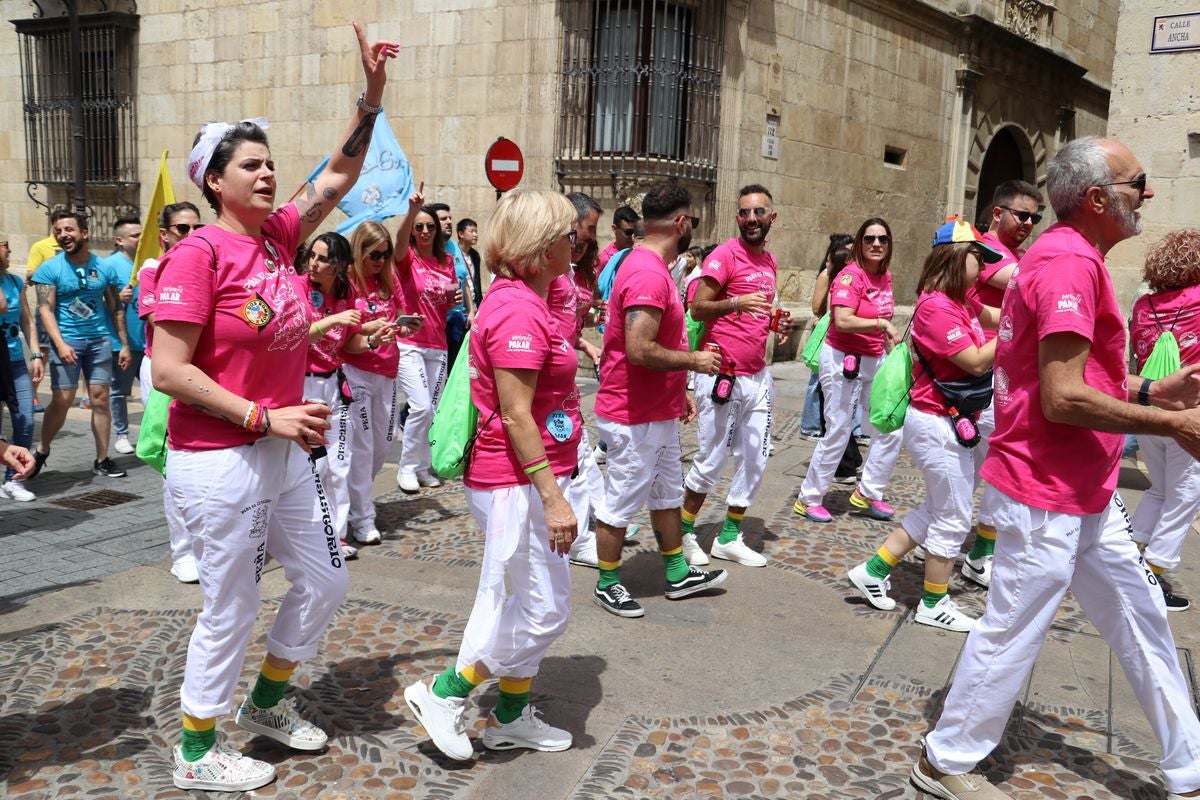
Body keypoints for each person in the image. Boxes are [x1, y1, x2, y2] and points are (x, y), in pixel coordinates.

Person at [913, 137, 1200, 800]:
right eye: (1139, 182)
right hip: (1046, 493)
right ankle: (944, 761)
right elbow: (1062, 397)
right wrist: (1172, 424)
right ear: (1099, 199)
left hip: (1084, 492)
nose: (1149, 193)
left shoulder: (1068, 258)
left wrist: (1153, 392)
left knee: (1142, 617)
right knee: (1012, 630)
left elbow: (1076, 375)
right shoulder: (1069, 263)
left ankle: (1189, 764)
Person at [150, 23, 398, 793]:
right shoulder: (198, 255)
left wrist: (372, 95)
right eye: (250, 166)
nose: (268, 176)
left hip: (284, 451)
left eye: (269, 165)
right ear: (213, 181)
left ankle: (264, 704)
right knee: (230, 606)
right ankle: (195, 751)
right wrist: (262, 417)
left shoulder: (277, 241)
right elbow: (167, 370)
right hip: (221, 458)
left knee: (326, 581)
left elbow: (335, 179)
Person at [404, 189, 580, 761]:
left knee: (522, 605)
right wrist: (553, 497)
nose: (574, 243)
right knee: (542, 609)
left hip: (527, 478)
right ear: (540, 243)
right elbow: (515, 413)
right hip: (516, 482)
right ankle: (446, 692)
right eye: (566, 234)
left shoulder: (532, 297)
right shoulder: (517, 310)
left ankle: (509, 715)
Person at [847, 219, 1002, 632]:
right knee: (953, 516)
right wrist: (1013, 333)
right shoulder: (936, 307)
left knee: (935, 509)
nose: (983, 267)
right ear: (955, 258)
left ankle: (873, 571)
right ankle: (934, 603)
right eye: (977, 258)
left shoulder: (964, 300)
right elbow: (974, 360)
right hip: (936, 424)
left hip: (948, 422)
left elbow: (1000, 315)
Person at [589, 181, 726, 619]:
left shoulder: (651, 266)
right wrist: (694, 362)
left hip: (656, 412)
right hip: (632, 415)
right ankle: (608, 582)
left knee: (666, 495)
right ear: (682, 223)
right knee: (620, 502)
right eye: (694, 222)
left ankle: (677, 572)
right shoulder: (648, 272)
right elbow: (638, 348)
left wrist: (679, 391)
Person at [680, 184, 791, 568]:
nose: (752, 219)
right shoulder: (725, 256)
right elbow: (697, 308)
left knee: (757, 459)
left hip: (757, 376)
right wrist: (735, 302)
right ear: (737, 217)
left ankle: (729, 536)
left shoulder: (770, 262)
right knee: (711, 460)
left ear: (771, 218)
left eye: (759, 212)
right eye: (744, 213)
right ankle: (683, 532)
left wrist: (777, 322)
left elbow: (761, 310)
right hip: (722, 373)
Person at [303, 231, 409, 561]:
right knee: (310, 466)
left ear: (339, 267)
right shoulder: (298, 288)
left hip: (336, 383)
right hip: (302, 385)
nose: (314, 264)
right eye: (312, 255)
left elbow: (348, 343)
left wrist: (377, 339)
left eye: (324, 259)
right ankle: (305, 533)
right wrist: (334, 318)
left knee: (340, 462)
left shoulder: (345, 292)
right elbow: (295, 333)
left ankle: (336, 534)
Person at [794, 218, 903, 523]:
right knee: (840, 428)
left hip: (875, 358)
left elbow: (883, 321)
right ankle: (809, 497)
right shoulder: (849, 277)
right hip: (843, 359)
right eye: (869, 239)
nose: (877, 244)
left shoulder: (885, 277)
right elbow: (842, 320)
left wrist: (892, 354)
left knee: (890, 426)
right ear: (859, 243)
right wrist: (881, 324)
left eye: (883, 238)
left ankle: (868, 491)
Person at [965, 179, 1045, 579]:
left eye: (1036, 217)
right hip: (984, 378)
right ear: (998, 213)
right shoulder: (986, 251)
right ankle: (973, 554)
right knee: (992, 467)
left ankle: (977, 549)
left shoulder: (1019, 253)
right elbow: (1027, 281)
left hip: (1004, 377)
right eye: (1023, 215)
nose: (1030, 223)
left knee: (996, 468)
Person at [1128, 228, 1200, 611]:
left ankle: (1131, 558)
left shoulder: (1144, 307)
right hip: (1189, 414)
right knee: (1188, 493)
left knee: (1160, 489)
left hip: (1149, 409)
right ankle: (1152, 576)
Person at [29, 209, 129, 479]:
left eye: (69, 229)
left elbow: (115, 308)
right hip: (68, 341)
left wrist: (124, 344)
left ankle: (102, 458)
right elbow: (45, 310)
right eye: (58, 231)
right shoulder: (50, 268)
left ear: (85, 233)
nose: (63, 235)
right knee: (62, 400)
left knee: (101, 400)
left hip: (99, 341)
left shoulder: (104, 267)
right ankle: (43, 449)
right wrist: (59, 344)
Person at [136, 201, 204, 584]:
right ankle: (182, 551)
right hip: (162, 372)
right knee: (172, 461)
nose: (191, 236)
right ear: (164, 234)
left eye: (197, 228)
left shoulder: (209, 264)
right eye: (182, 229)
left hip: (204, 370)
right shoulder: (152, 270)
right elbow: (158, 316)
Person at [342, 220, 403, 542]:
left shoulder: (388, 283)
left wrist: (402, 328)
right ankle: (363, 517)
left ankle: (355, 501)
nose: (380, 260)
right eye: (374, 254)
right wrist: (372, 340)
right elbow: (345, 342)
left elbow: (397, 321)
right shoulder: (348, 287)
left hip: (388, 374)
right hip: (358, 373)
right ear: (359, 251)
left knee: (385, 442)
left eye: (385, 253)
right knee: (363, 448)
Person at [394, 195, 459, 493]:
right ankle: (406, 467)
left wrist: (451, 301)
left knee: (433, 410)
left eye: (429, 226)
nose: (424, 232)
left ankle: (423, 466)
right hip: (410, 344)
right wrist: (411, 211)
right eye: (418, 227)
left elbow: (442, 304)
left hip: (438, 344)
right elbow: (398, 240)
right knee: (420, 407)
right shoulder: (408, 258)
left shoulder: (446, 262)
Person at [0, 237, 43, 501]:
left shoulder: (15, 282)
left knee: (25, 417)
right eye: (4, 245)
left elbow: (27, 321)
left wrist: (36, 353)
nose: (9, 249)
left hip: (15, 361)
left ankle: (13, 480)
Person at [800, 234, 854, 437]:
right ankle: (810, 425)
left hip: (838, 331)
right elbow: (816, 307)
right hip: (827, 330)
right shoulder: (828, 275)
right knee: (817, 379)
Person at [101, 216, 144, 455]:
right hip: (122, 342)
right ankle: (122, 434)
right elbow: (96, 302)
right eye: (135, 235)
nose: (140, 239)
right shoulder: (109, 265)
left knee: (154, 391)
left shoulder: (148, 261)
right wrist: (118, 298)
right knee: (119, 391)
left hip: (147, 340)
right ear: (119, 240)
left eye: (141, 234)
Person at [429, 202, 476, 371]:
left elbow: (463, 282)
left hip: (458, 320)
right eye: (443, 219)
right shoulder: (428, 251)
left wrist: (471, 311)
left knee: (457, 372)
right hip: (437, 322)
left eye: (450, 218)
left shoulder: (454, 247)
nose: (449, 222)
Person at [25, 233, 58, 412]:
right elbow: (30, 274)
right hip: (46, 306)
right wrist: (54, 268)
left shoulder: (77, 248)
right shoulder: (41, 246)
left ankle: (86, 396)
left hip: (71, 308)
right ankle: (31, 395)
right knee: (42, 351)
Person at [597, 205, 640, 273]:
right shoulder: (605, 259)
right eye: (628, 232)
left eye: (636, 232)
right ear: (614, 229)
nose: (633, 237)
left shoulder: (639, 252)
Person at [456, 217, 482, 306]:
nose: (475, 235)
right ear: (461, 234)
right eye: (471, 231)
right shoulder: (452, 253)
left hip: (474, 304)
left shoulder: (475, 255)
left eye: (476, 231)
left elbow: (477, 282)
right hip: (459, 305)